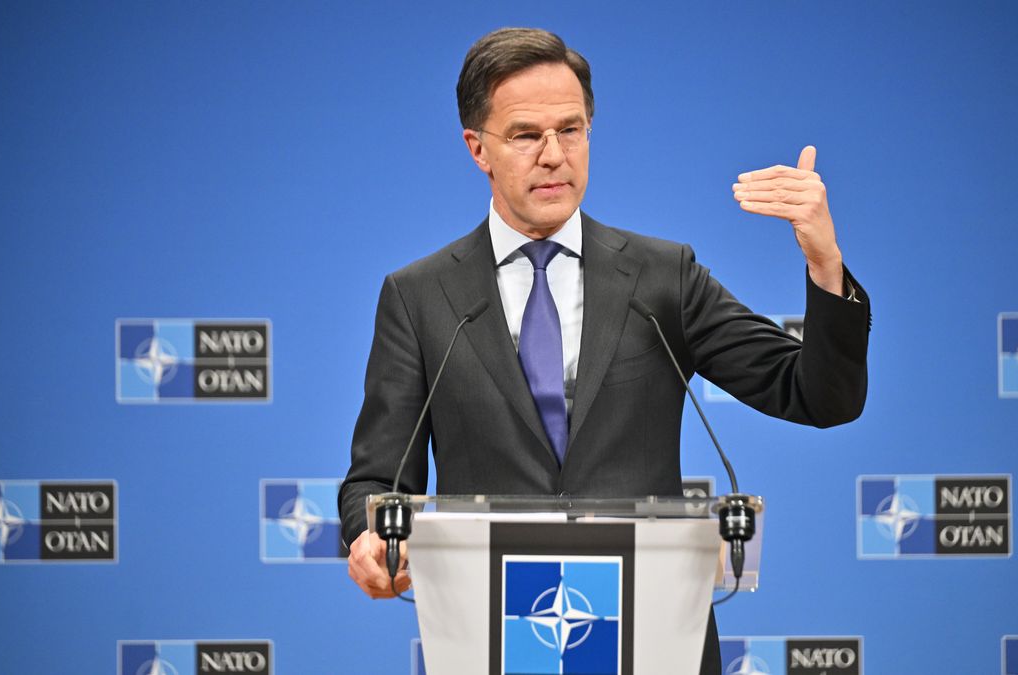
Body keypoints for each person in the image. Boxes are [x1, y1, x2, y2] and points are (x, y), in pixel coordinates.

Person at [338, 27, 870, 674]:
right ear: (477, 147)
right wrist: (367, 538)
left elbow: (819, 395)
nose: (554, 155)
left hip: (653, 638)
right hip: (489, 639)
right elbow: (378, 480)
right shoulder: (420, 296)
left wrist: (824, 262)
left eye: (572, 129)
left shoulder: (661, 277)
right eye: (527, 135)